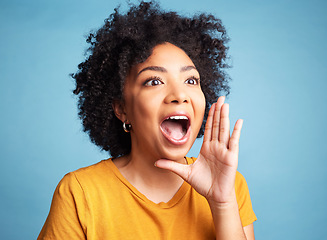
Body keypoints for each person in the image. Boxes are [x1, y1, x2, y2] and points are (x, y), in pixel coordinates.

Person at [38, 1, 256, 239]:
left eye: (191, 80)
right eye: (154, 81)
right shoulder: (80, 192)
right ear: (122, 109)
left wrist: (222, 203)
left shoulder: (229, 184)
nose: (180, 95)